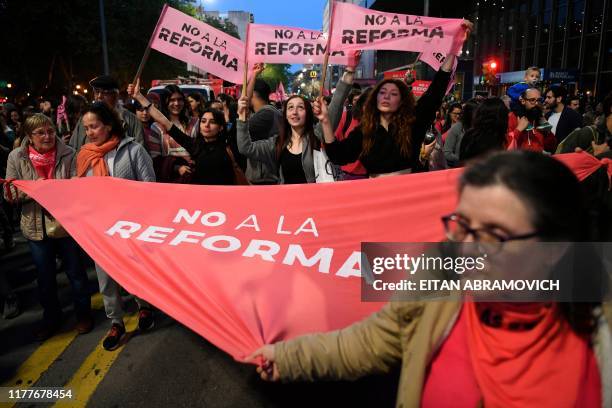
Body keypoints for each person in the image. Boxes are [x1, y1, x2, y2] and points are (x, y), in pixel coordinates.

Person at [248, 150, 610, 408]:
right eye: (463, 226)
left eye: (494, 236)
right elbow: (370, 342)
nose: (467, 249)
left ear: (554, 248)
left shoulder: (600, 335)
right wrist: (287, 357)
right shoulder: (439, 279)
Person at [316, 21, 472, 177]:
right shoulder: (365, 130)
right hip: (375, 195)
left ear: (402, 101)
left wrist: (453, 49)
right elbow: (338, 156)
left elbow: (436, 91)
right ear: (374, 99)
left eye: (393, 94)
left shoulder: (414, 122)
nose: (386, 96)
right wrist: (325, 120)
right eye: (382, 92)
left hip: (408, 193)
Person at [5, 114, 93, 340]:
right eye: (41, 133)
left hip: (66, 225)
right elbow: (10, 193)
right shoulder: (16, 156)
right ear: (29, 136)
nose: (47, 136)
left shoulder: (69, 153)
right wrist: (37, 190)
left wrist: (62, 189)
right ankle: (51, 319)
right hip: (35, 228)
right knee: (45, 277)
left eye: (51, 131)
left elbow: (79, 186)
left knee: (76, 274)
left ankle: (84, 315)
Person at [75, 102, 155, 350]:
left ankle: (144, 306)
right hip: (100, 229)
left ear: (108, 126)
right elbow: (79, 193)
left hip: (131, 226)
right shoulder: (84, 156)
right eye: (86, 127)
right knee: (106, 278)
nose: (90, 132)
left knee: (134, 270)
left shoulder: (133, 150)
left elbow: (150, 187)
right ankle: (116, 321)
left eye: (95, 126)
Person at [236, 65, 356, 184]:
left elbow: (336, 105)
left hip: (314, 200)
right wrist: (242, 117)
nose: (294, 112)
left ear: (308, 113)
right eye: (290, 108)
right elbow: (245, 148)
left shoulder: (317, 135)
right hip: (287, 201)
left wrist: (349, 72)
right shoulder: (277, 143)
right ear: (285, 115)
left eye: (300, 107)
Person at [129, 82, 240, 186]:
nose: (206, 125)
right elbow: (165, 122)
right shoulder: (195, 146)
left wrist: (242, 112)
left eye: (213, 122)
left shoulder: (228, 147)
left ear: (221, 127)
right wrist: (140, 97)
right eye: (203, 121)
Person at [70, 75, 145, 151]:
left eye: (105, 93)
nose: (99, 96)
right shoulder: (84, 119)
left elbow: (141, 153)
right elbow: (73, 149)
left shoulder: (131, 120)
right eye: (97, 92)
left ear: (116, 95)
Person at [149, 85, 200, 182]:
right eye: (172, 100)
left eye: (179, 99)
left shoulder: (195, 123)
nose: (176, 103)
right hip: (169, 180)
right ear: (165, 102)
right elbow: (155, 159)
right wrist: (176, 167)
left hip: (193, 178)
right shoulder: (157, 127)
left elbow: (199, 151)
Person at [243, 66, 283, 185]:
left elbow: (241, 138)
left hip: (263, 179)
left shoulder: (265, 114)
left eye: (246, 92)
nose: (243, 96)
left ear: (253, 93)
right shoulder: (268, 112)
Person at [507, 88, 557, 153]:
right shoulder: (512, 117)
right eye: (532, 100)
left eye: (539, 100)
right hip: (519, 161)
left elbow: (552, 147)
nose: (536, 103)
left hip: (538, 160)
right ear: (523, 101)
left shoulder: (540, 118)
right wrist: (518, 130)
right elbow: (507, 146)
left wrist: (548, 133)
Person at [443, 98, 478, 167]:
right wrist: (463, 160)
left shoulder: (476, 128)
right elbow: (447, 153)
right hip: (457, 170)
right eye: (476, 114)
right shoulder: (456, 128)